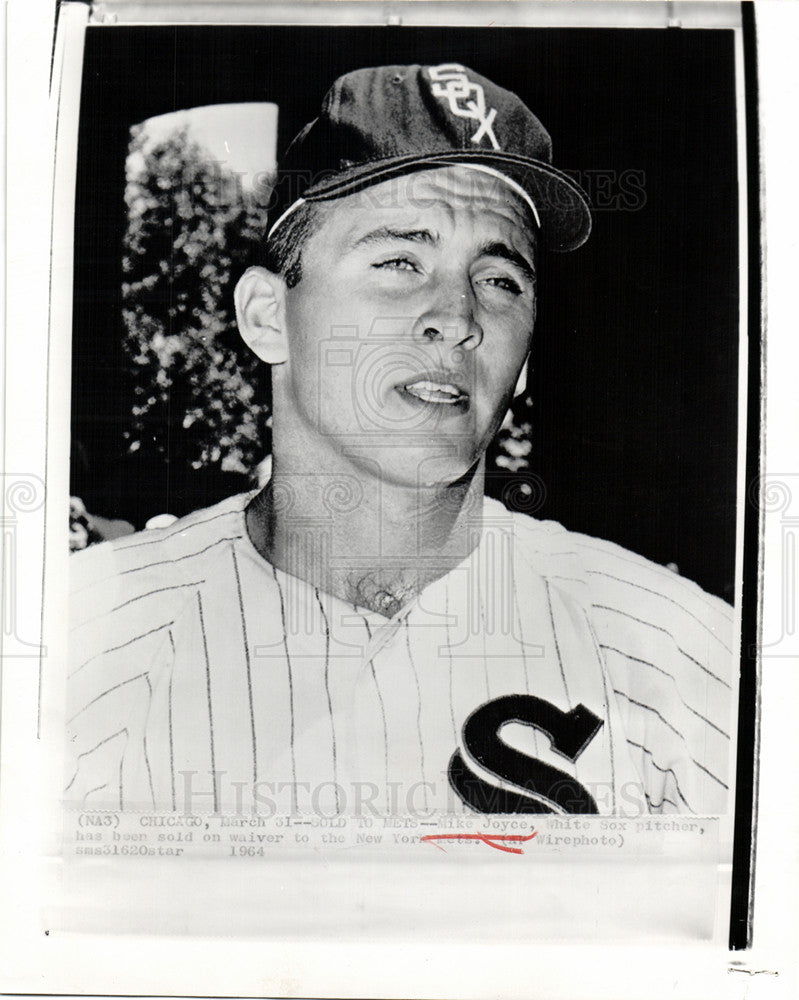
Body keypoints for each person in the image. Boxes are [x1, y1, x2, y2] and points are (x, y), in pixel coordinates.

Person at [67, 63, 735, 818]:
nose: (456, 316)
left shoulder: (675, 650)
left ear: (522, 364)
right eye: (398, 261)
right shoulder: (84, 640)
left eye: (499, 280)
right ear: (265, 316)